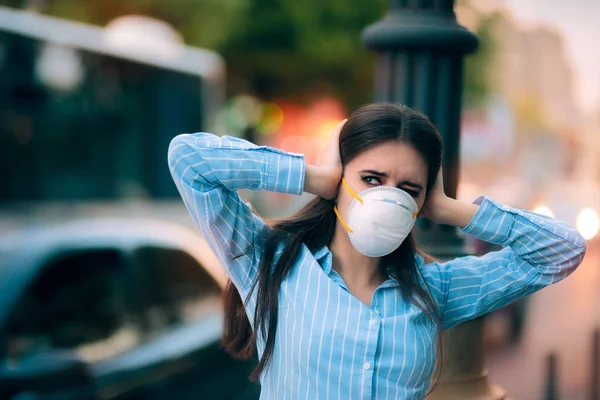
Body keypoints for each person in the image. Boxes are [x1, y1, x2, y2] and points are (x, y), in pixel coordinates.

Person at [168, 103, 586, 399]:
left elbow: (562, 250)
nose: (389, 198)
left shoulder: (435, 290)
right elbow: (189, 160)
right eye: (371, 178)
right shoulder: (269, 262)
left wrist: (447, 208)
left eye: (408, 189)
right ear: (341, 180)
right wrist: (313, 176)